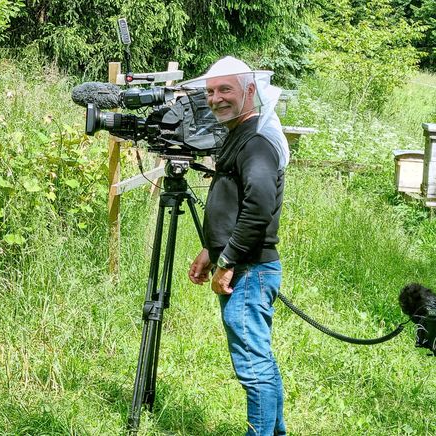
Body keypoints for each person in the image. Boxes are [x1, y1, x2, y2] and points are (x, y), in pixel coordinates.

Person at [185, 56, 290, 436]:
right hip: (245, 266)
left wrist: (227, 259)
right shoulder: (241, 133)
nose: (215, 99)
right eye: (210, 92)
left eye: (225, 89)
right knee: (259, 358)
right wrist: (210, 251)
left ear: (250, 90)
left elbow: (259, 204)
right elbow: (233, 200)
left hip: (249, 270)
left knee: (252, 365)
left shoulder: (257, 141)